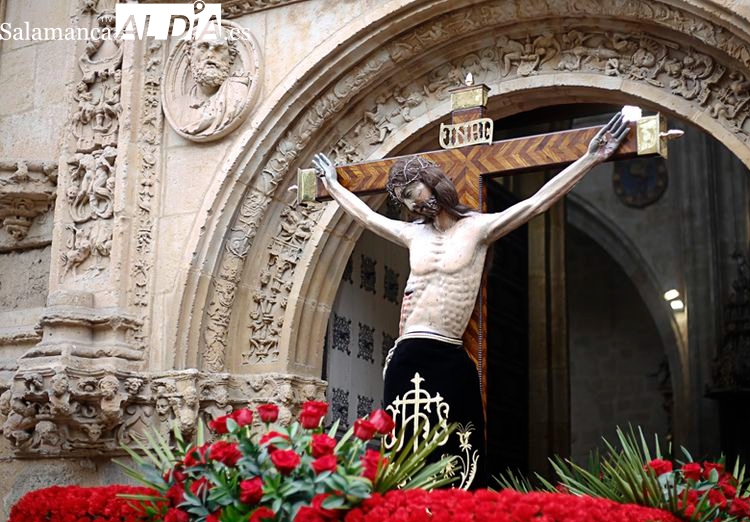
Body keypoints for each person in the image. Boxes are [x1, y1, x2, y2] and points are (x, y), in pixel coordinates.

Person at [312, 112, 630, 489]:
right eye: (404, 201)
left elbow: (535, 204)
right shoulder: (413, 235)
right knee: (404, 453)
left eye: (414, 193)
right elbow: (366, 216)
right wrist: (333, 186)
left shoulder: (477, 229)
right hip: (408, 352)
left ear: (432, 184)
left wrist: (590, 158)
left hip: (448, 352)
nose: (413, 205)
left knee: (459, 449)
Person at [180, 35, 251, 137]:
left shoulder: (237, 94)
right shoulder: (178, 107)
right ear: (189, 55)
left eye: (219, 49)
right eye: (203, 48)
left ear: (230, 57)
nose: (210, 55)